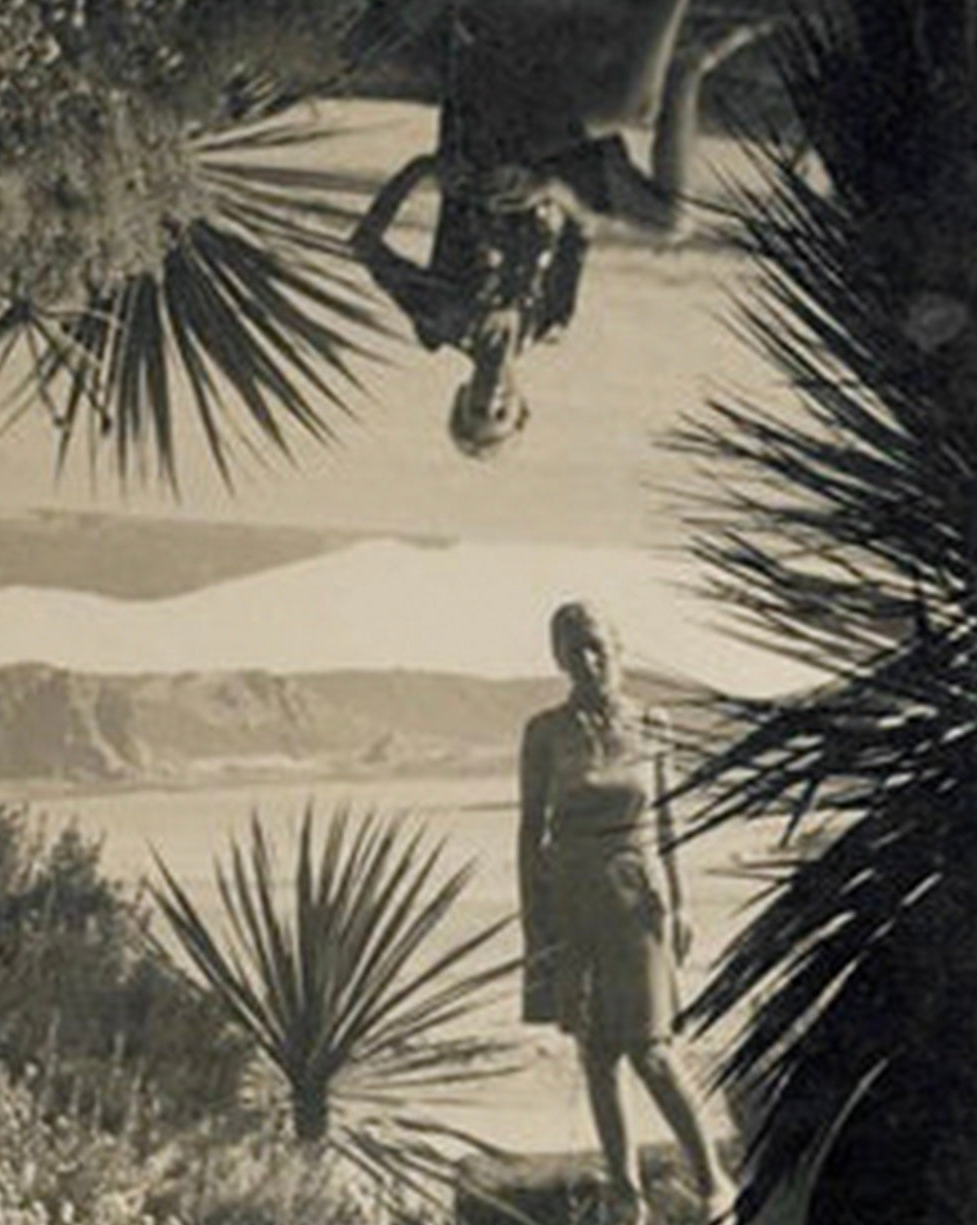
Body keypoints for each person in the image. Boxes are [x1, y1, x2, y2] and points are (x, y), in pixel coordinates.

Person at [351, 1, 770, 455]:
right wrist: (551, 190)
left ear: (461, 397)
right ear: (520, 407)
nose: (490, 402)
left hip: (493, 143)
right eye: (501, 415)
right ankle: (691, 66)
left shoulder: (440, 318)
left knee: (635, 110)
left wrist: (424, 169)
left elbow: (365, 244)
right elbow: (583, 228)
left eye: (476, 411)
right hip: (555, 171)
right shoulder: (551, 321)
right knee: (673, 223)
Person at [517, 601, 733, 1225]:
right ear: (559, 659)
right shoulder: (544, 732)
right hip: (571, 897)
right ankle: (623, 1194)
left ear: (619, 649)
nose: (586, 661)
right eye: (571, 650)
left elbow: (669, 820)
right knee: (594, 1050)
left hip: (637, 894)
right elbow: (530, 832)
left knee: (651, 1048)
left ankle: (714, 1182)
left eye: (595, 647)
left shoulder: (653, 724)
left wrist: (683, 903)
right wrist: (539, 929)